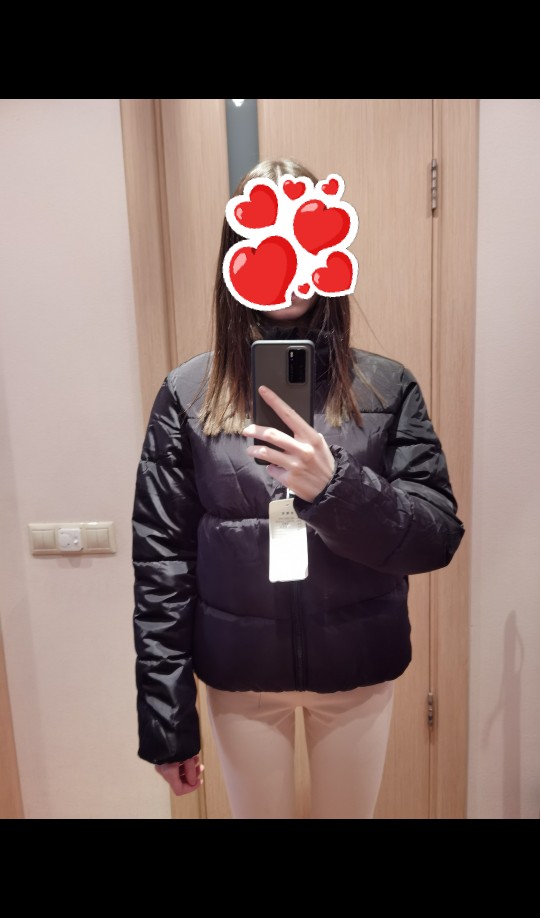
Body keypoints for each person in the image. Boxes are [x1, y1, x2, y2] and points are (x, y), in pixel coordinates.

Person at [132, 158, 465, 819]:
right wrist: (167, 721)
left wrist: (336, 487)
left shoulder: (385, 387)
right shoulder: (188, 395)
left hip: (356, 670)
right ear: (238, 252)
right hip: (241, 678)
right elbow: (161, 564)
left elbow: (436, 537)